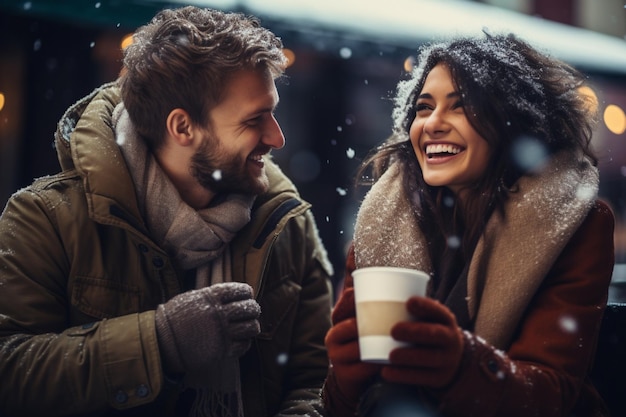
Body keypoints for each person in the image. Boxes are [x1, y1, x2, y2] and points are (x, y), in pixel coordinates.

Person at [0, 6, 334, 417]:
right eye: (255, 119)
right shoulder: (46, 219)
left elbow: (316, 378)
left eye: (274, 111)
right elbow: (9, 372)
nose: (277, 138)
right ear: (182, 128)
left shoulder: (286, 222)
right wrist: (159, 342)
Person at [322, 32, 615, 417]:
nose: (433, 124)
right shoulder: (382, 220)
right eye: (423, 108)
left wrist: (461, 366)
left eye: (460, 107)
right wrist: (346, 377)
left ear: (512, 122)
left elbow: (552, 393)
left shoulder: (574, 223)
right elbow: (335, 406)